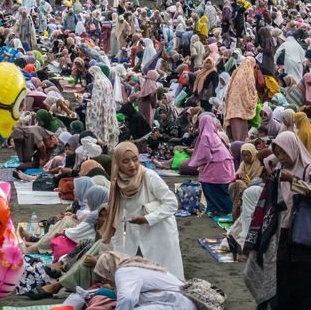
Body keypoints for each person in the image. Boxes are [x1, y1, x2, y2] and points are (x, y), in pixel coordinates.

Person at [101, 141, 184, 279]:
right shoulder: (118, 183)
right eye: (125, 161)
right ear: (117, 164)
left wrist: (147, 219)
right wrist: (118, 248)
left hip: (160, 230)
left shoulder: (149, 176)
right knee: (141, 275)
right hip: (136, 233)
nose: (132, 165)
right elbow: (117, 216)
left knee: (167, 275)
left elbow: (171, 203)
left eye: (135, 159)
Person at [269, 131, 311, 309]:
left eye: (283, 153)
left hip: (306, 228)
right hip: (285, 228)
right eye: (278, 153)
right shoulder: (280, 168)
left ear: (292, 149)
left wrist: (292, 180)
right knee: (285, 274)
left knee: (307, 274)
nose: (281, 158)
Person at [93, 250, 195, 310]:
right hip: (182, 302)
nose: (106, 281)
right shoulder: (135, 266)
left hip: (177, 304)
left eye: (103, 277)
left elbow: (127, 298)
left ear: (108, 271)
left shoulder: (124, 271)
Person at [187, 112, 235, 216]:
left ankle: (215, 208)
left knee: (207, 183)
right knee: (221, 188)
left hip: (217, 163)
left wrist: (202, 166)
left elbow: (207, 156)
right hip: (225, 163)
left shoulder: (205, 136)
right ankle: (223, 209)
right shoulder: (214, 133)